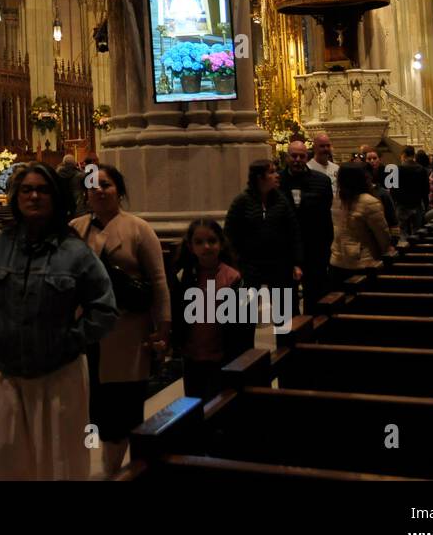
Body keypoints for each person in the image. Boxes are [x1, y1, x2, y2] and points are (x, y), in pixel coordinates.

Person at [0, 162, 117, 481]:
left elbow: (105, 309)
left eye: (43, 190)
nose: (34, 196)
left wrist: (70, 339)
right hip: (4, 374)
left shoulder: (75, 251)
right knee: (3, 464)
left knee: (60, 466)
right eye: (27, 189)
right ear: (16, 196)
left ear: (56, 197)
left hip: (59, 375)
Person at [71, 165, 171, 476]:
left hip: (126, 332)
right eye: (93, 186)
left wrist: (163, 329)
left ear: (119, 191)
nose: (99, 190)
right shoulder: (75, 229)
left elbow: (158, 282)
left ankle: (113, 468)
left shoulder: (139, 229)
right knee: (93, 403)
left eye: (106, 184)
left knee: (123, 406)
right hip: (85, 330)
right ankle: (103, 462)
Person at [170, 219, 256, 401]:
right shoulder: (184, 276)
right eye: (199, 242)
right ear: (191, 247)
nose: (206, 247)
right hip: (192, 358)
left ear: (221, 243)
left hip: (222, 358)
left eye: (212, 240)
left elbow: (243, 328)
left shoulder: (233, 279)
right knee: (195, 406)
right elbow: (177, 314)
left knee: (218, 408)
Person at [223, 159, 303, 308]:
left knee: (285, 314)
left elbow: (293, 232)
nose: (277, 175)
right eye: (272, 172)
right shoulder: (241, 201)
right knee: (245, 315)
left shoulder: (281, 200)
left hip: (279, 263)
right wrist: (234, 264)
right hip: (249, 265)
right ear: (259, 177)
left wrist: (297, 263)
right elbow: (229, 235)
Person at [279, 138, 334, 311]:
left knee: (315, 295)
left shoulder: (322, 181)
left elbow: (326, 214)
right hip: (285, 248)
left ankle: (313, 335)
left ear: (306, 157)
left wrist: (327, 245)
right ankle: (288, 336)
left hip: (315, 247)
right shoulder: (277, 182)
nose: (297, 160)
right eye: (293, 156)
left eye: (301, 156)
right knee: (285, 301)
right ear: (287, 157)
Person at [329, 161, 392, 286]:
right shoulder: (369, 202)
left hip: (337, 260)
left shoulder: (336, 200)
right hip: (362, 262)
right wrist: (386, 253)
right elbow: (382, 234)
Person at [390, 145, 430, 240]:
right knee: (417, 232)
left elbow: (393, 190)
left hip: (402, 205)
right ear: (413, 155)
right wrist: (425, 203)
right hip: (417, 204)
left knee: (402, 231)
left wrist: (396, 202)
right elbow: (426, 190)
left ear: (403, 155)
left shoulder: (397, 169)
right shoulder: (422, 169)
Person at [361, 147, 398, 228]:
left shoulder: (387, 172)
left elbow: (393, 192)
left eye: (374, 158)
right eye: (369, 159)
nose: (372, 161)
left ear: (380, 159)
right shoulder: (363, 173)